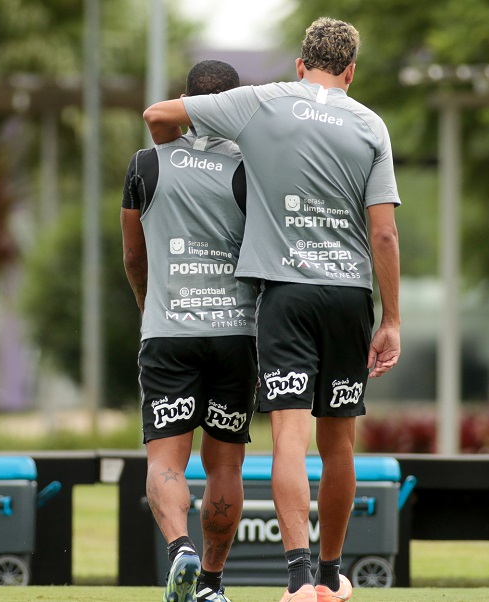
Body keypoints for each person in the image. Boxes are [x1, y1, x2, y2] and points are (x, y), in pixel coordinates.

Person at [143, 17, 401, 602]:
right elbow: (383, 235)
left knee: (291, 439)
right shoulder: (370, 124)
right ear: (351, 71)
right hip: (349, 297)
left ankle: (297, 578)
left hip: (284, 295)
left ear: (298, 64)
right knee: (340, 446)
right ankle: (333, 575)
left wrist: (173, 153)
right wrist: (391, 320)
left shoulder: (262, 101)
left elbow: (159, 115)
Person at [122, 60, 258, 602]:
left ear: (186, 100)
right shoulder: (254, 168)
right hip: (236, 335)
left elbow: (133, 254)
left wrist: (147, 304)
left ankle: (180, 548)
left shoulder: (144, 164)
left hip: (168, 332)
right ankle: (212, 584)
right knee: (225, 462)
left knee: (164, 460)